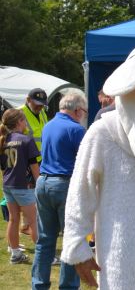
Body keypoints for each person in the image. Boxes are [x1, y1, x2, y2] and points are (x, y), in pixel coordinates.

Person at [31, 94, 87, 290]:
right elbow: (85, 162)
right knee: (71, 240)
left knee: (45, 240)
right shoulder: (77, 129)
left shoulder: (48, 126)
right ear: (78, 110)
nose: (83, 116)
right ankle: (68, 287)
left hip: (43, 182)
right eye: (84, 112)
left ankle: (38, 284)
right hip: (64, 185)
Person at [0, 109, 40, 264]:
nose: (26, 123)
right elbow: (34, 165)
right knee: (34, 221)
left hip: (8, 185)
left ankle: (15, 253)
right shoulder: (26, 140)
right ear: (18, 122)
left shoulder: (4, 140)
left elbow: (4, 167)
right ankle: (45, 256)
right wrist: (39, 183)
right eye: (24, 120)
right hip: (24, 185)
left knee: (13, 219)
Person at [18, 88, 48, 236]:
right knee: (28, 194)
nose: (39, 107)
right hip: (26, 162)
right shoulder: (19, 114)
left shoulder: (42, 112)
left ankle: (30, 223)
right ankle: (27, 224)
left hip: (42, 160)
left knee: (38, 192)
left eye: (42, 104)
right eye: (36, 104)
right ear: (28, 100)